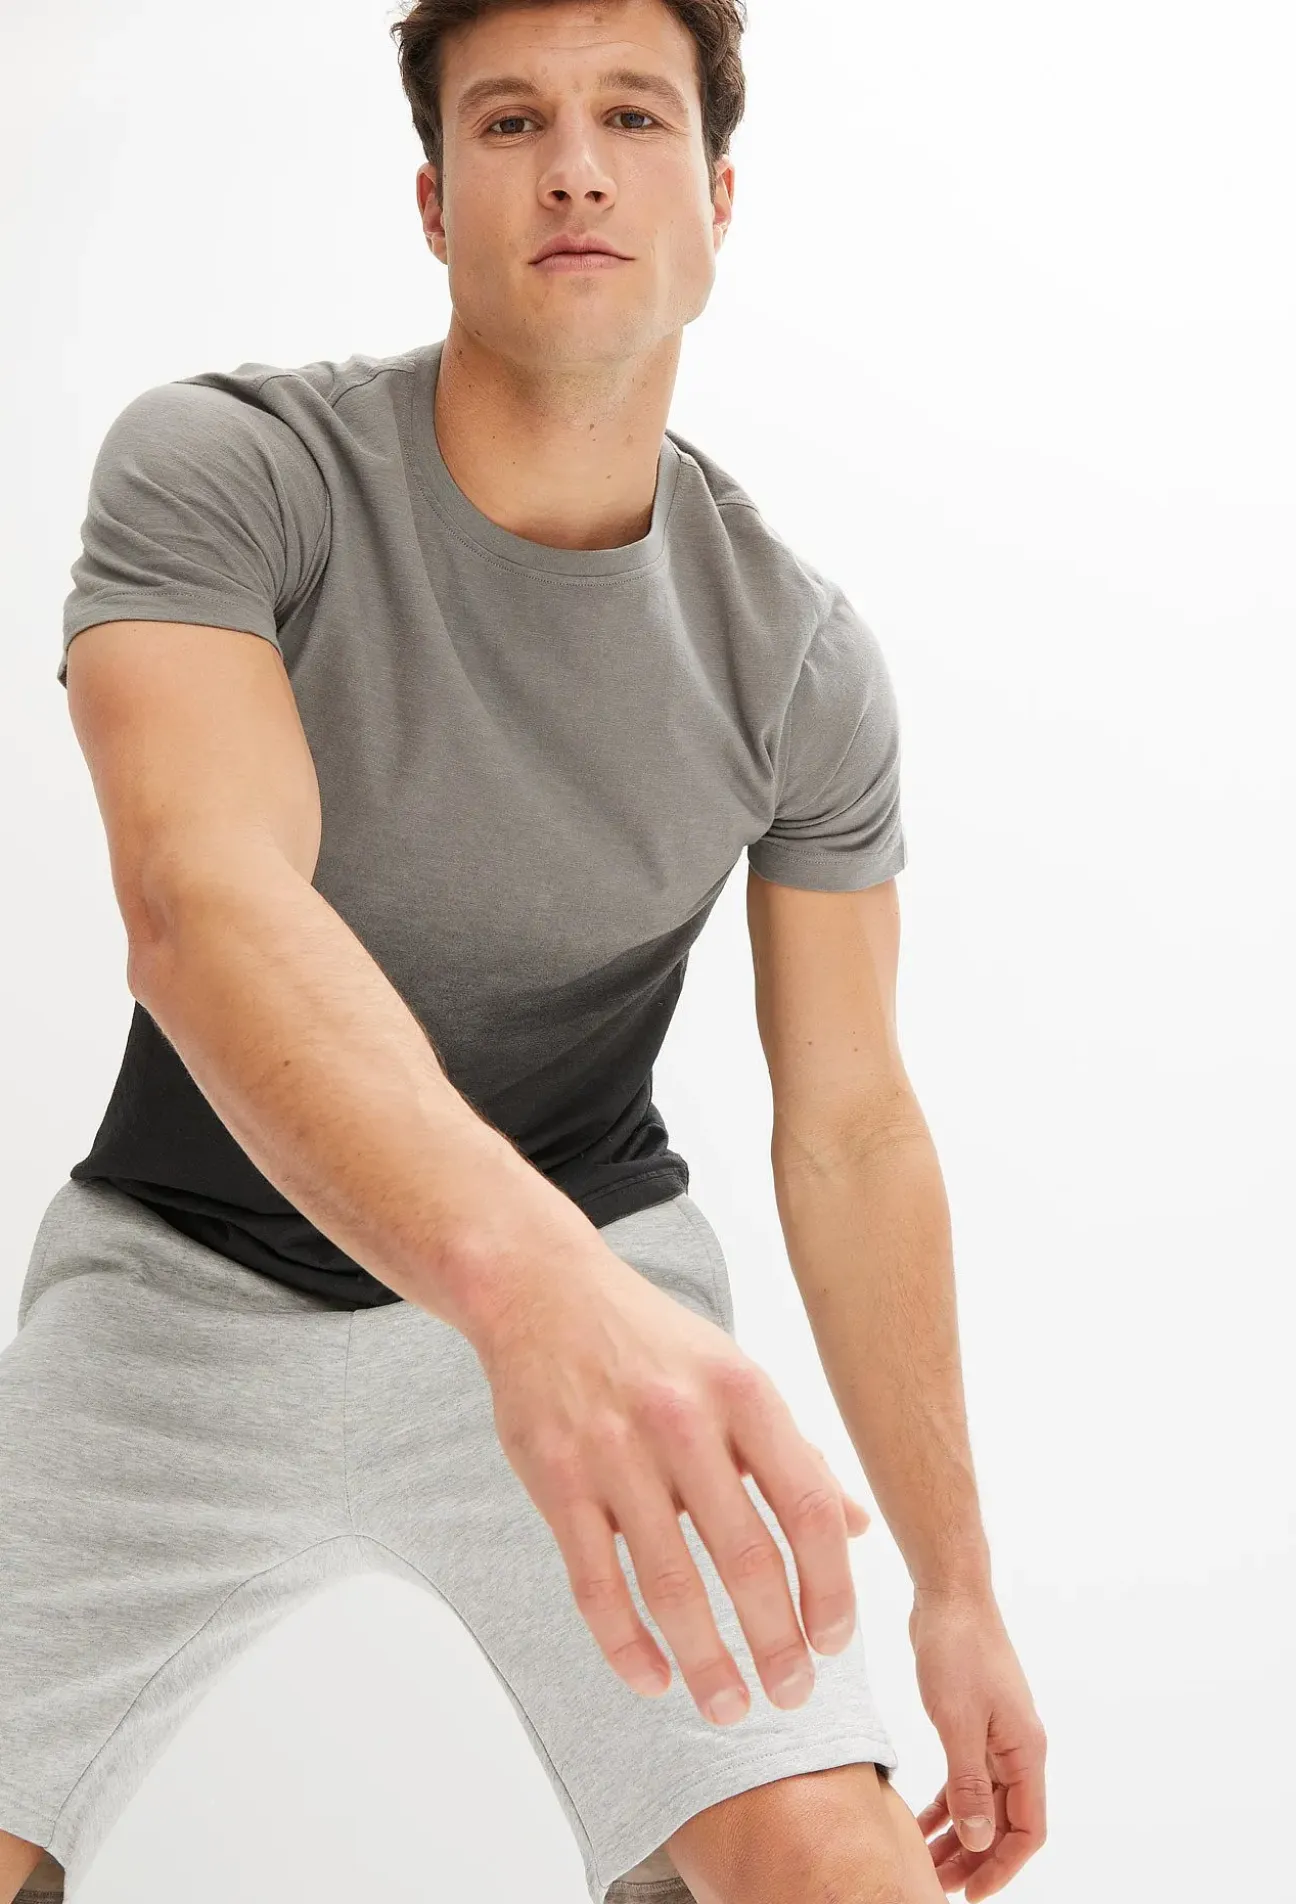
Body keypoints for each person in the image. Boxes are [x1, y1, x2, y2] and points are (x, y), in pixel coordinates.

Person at [0, 2, 1047, 1900]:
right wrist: (532, 1295)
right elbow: (206, 906)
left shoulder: (799, 661)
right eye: (510, 123)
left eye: (633, 118)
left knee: (837, 1867)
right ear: (432, 201)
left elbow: (854, 1128)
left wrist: (957, 1585)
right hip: (179, 1286)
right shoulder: (230, 470)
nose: (575, 168)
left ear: (718, 200)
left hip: (600, 1266)